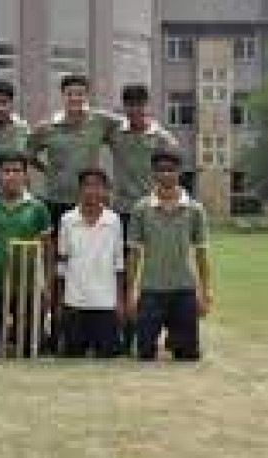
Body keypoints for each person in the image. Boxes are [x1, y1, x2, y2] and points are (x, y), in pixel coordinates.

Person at [28, 74, 117, 351]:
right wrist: (48, 171)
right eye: (70, 94)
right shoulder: (47, 128)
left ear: (86, 96)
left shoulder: (100, 122)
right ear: (63, 96)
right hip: (56, 203)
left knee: (93, 265)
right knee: (58, 268)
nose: (75, 98)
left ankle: (101, 326)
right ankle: (56, 331)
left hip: (91, 205)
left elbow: (130, 125)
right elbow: (28, 153)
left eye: (80, 93)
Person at [126, 149, 213, 361]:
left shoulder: (194, 209)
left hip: (184, 289)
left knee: (187, 356)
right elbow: (134, 255)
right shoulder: (141, 209)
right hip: (151, 289)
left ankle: (176, 338)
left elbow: (201, 254)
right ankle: (161, 335)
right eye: (161, 170)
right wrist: (130, 293)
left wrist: (205, 292)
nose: (166, 174)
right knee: (145, 354)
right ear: (153, 173)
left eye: (171, 170)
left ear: (179, 172)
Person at [109, 84, 177, 353]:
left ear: (147, 106)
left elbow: (174, 169)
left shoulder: (162, 138)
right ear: (124, 107)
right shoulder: (116, 132)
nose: (135, 110)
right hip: (124, 211)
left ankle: (172, 328)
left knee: (160, 269)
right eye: (130, 105)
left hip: (154, 211)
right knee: (126, 271)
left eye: (139, 104)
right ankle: (127, 332)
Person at [0, 152, 53, 357]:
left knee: (29, 348)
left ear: (26, 175)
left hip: (27, 286)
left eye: (17, 171)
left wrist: (47, 287)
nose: (12, 176)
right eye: (6, 171)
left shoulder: (38, 207)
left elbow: (48, 252)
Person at [56, 168, 125, 358]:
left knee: (108, 356)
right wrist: (60, 300)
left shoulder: (113, 220)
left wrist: (119, 301)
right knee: (73, 355)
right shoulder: (67, 220)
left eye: (97, 186)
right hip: (74, 302)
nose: (92, 191)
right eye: (87, 185)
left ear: (105, 190)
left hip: (105, 303)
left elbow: (118, 263)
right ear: (79, 189)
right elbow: (62, 263)